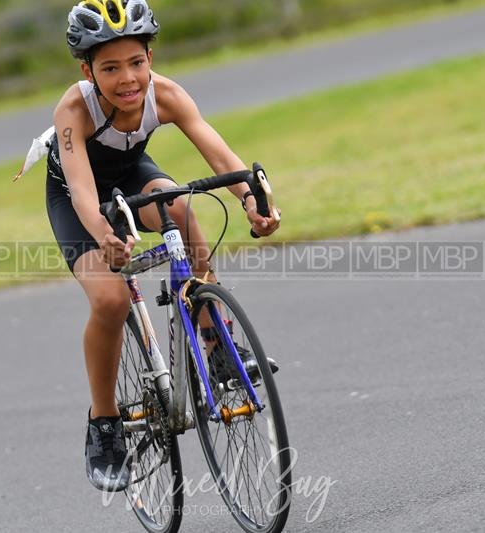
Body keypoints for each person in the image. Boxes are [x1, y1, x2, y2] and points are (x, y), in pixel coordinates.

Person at [40, 0, 281, 492]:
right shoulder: (73, 109)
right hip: (77, 198)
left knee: (184, 213)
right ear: (87, 71)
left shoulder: (165, 94)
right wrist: (106, 236)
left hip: (131, 177)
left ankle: (215, 343)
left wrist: (251, 200)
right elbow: (84, 191)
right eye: (110, 68)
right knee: (108, 299)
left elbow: (216, 151)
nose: (127, 78)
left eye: (136, 62)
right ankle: (104, 426)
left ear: (151, 56)